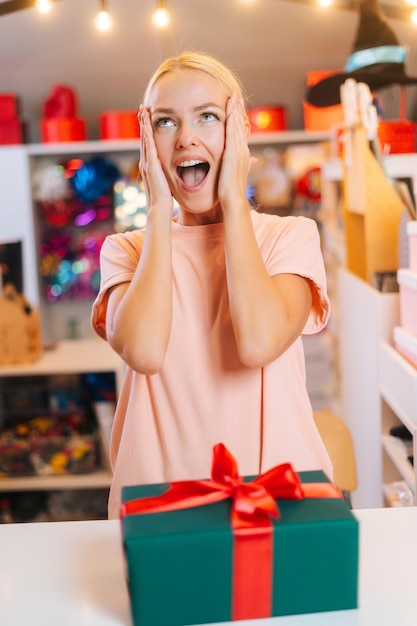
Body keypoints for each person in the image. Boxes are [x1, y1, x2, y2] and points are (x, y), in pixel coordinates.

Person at [91, 51, 333, 519]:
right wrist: (159, 208)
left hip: (276, 503)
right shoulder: (126, 252)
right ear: (146, 142)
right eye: (164, 123)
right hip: (160, 509)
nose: (185, 138)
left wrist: (234, 200)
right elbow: (143, 350)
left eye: (207, 117)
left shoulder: (289, 237)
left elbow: (260, 341)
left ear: (238, 131)